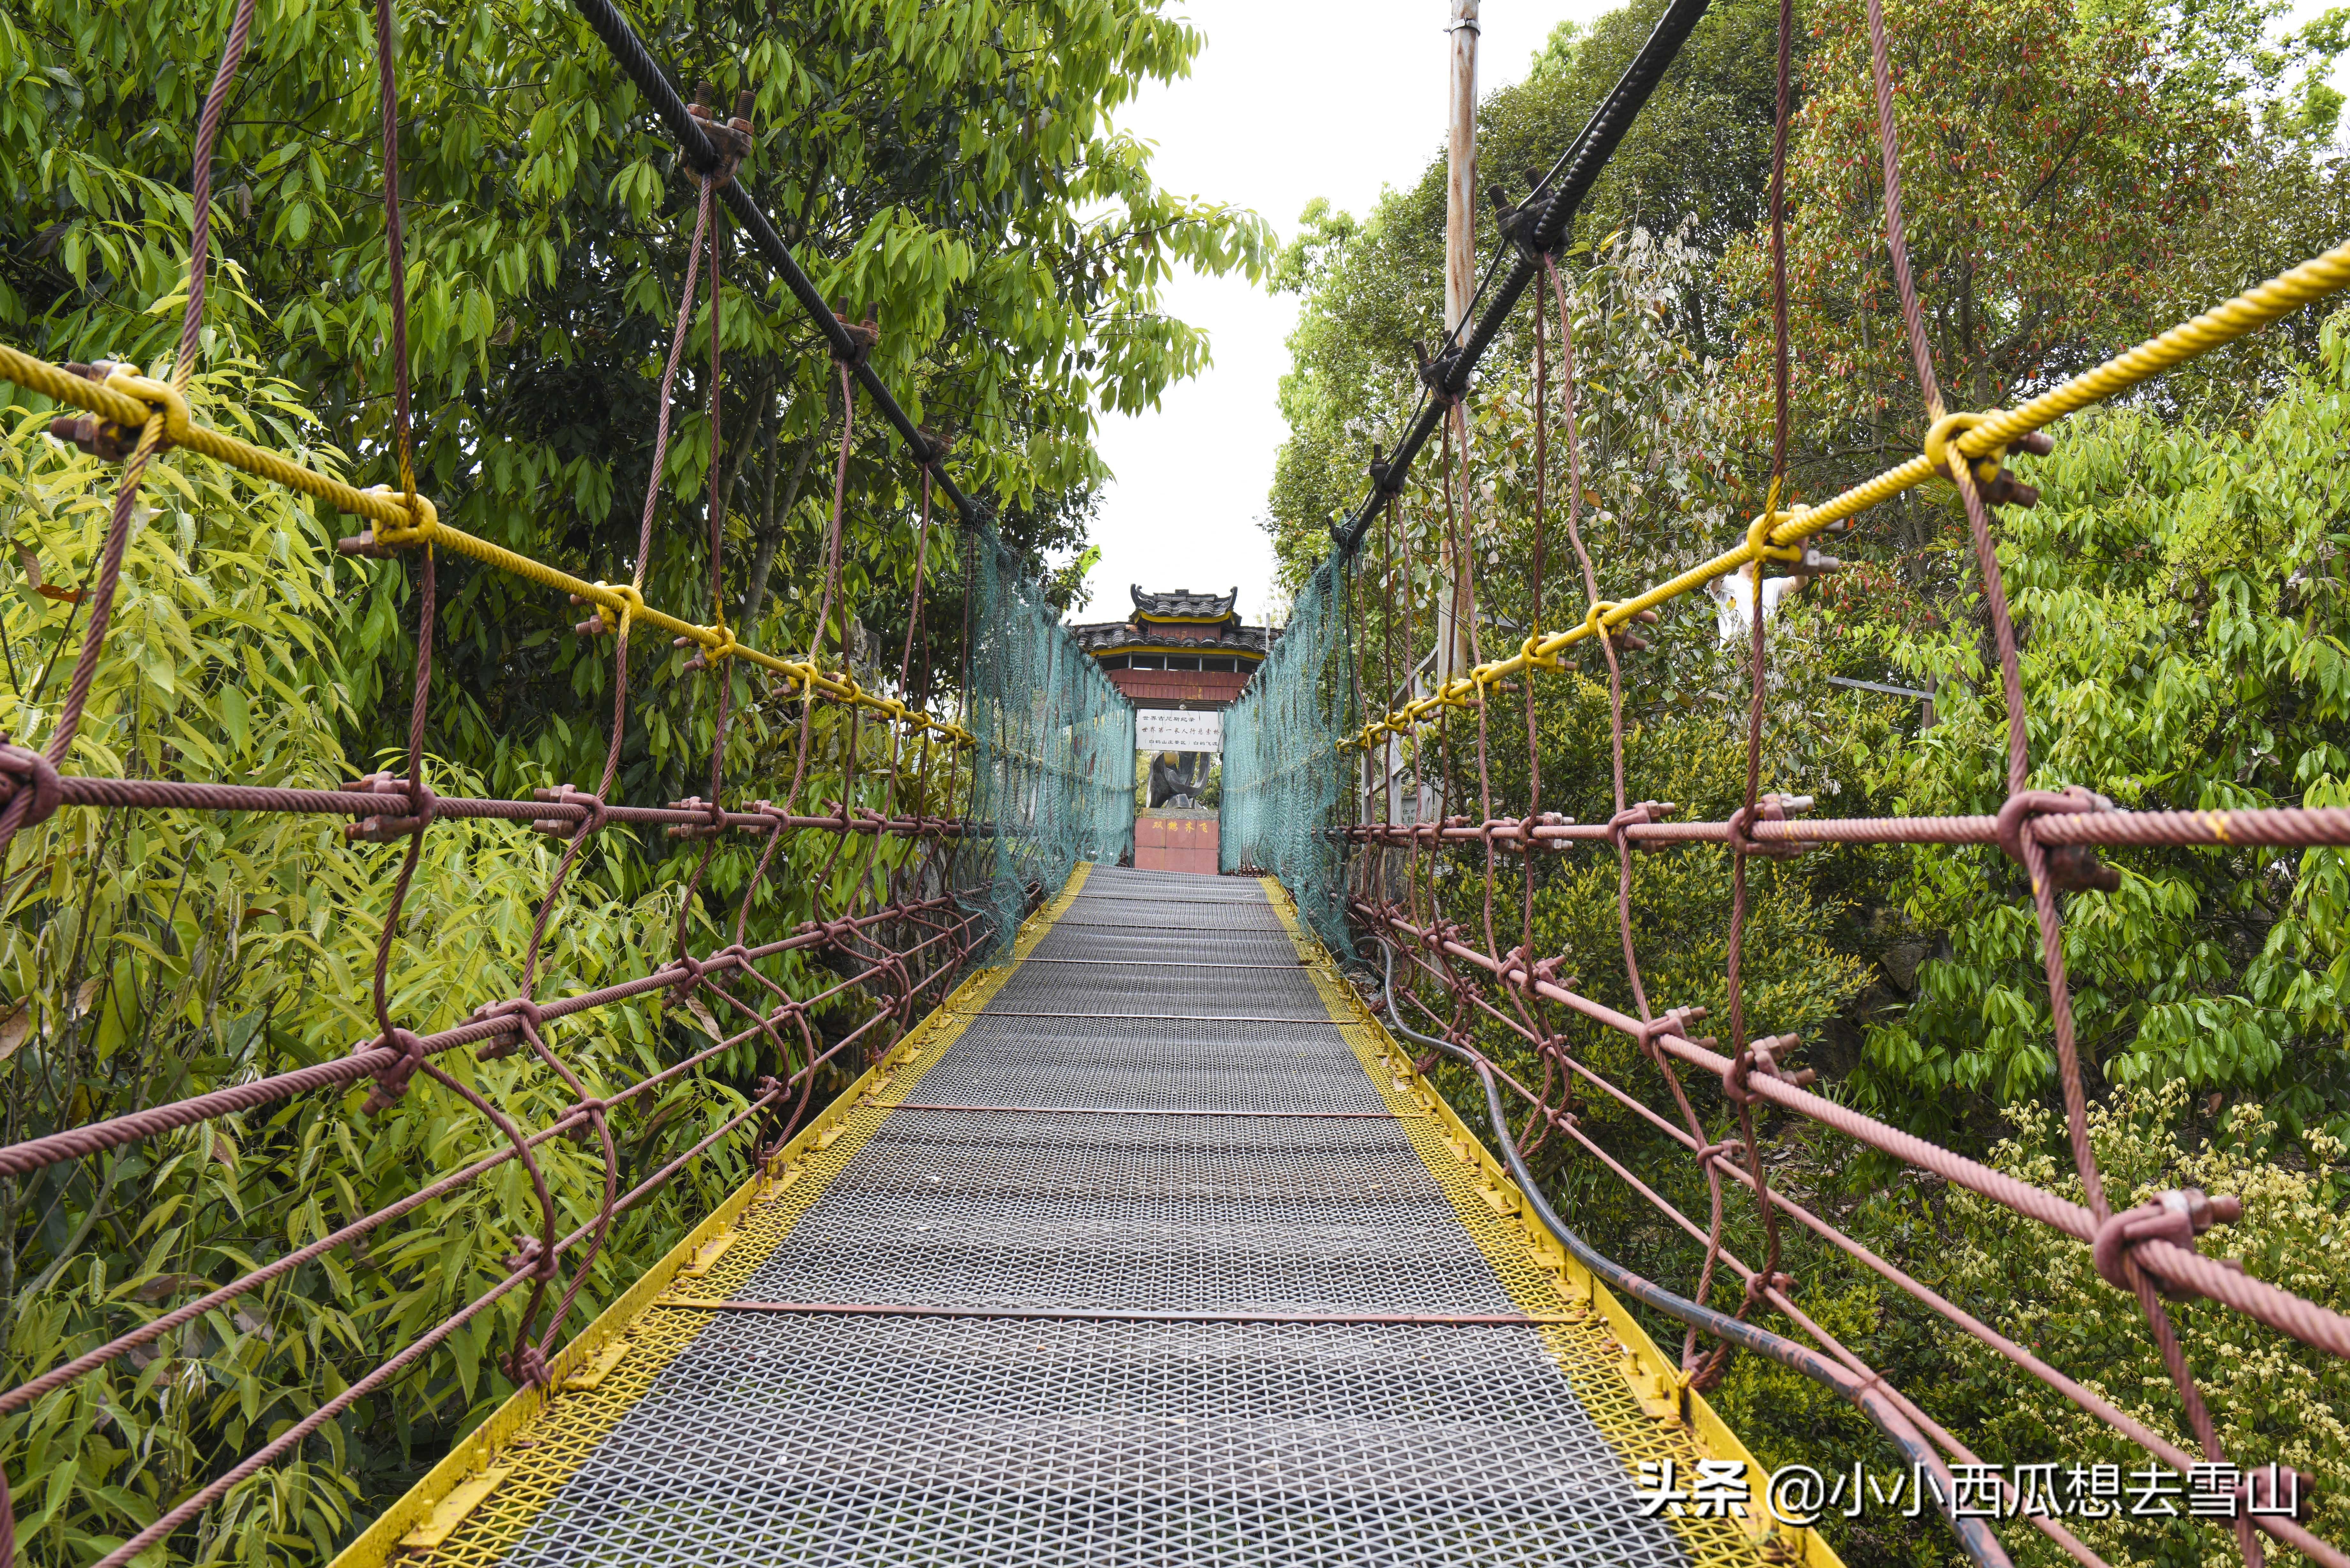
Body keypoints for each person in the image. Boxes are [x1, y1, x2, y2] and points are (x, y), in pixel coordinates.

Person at [1707, 561, 1805, 644]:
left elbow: (1801, 582)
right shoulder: (1726, 583)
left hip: (1766, 658)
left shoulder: (1774, 586)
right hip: (1731, 657)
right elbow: (1714, 578)